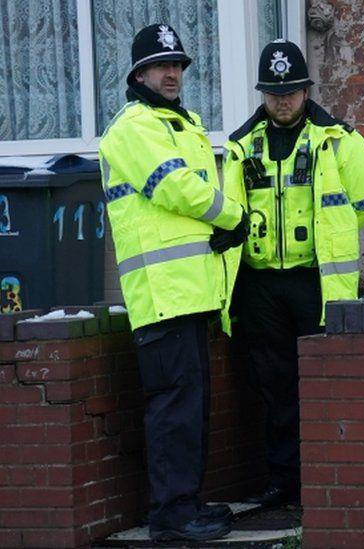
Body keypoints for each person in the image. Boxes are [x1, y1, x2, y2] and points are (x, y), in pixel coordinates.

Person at [98, 24, 248, 542]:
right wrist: (232, 216)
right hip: (162, 296)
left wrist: (222, 227)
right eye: (161, 65)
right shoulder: (134, 127)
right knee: (173, 411)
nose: (172, 73)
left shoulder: (179, 123)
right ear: (139, 73)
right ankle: (170, 517)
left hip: (191, 291)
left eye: (178, 64)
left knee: (191, 411)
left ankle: (187, 503)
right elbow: (176, 187)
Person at [224, 39, 364, 507]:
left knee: (319, 379)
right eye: (273, 93)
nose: (282, 101)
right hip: (260, 284)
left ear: (306, 90)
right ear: (262, 94)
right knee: (273, 386)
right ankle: (284, 481)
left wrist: (331, 238)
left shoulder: (335, 139)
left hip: (314, 280)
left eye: (290, 91)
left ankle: (323, 478)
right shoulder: (241, 144)